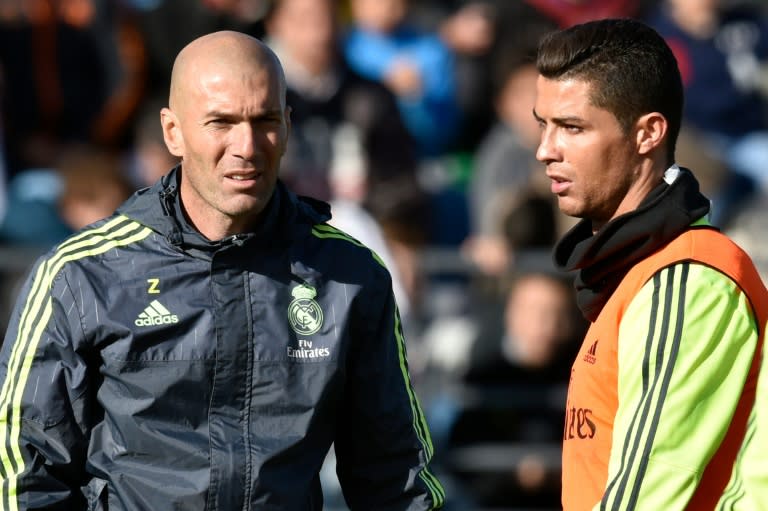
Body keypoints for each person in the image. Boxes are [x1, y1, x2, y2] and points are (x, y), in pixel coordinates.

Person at [0, 30, 445, 510]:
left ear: (289, 125)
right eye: (221, 122)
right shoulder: (80, 277)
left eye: (265, 120)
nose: (247, 146)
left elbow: (395, 478)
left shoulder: (349, 276)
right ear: (173, 132)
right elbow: (26, 477)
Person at [533, 18, 768, 510]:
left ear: (648, 134)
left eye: (571, 127)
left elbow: (645, 499)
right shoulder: (636, 273)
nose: (545, 150)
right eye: (544, 125)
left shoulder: (684, 275)